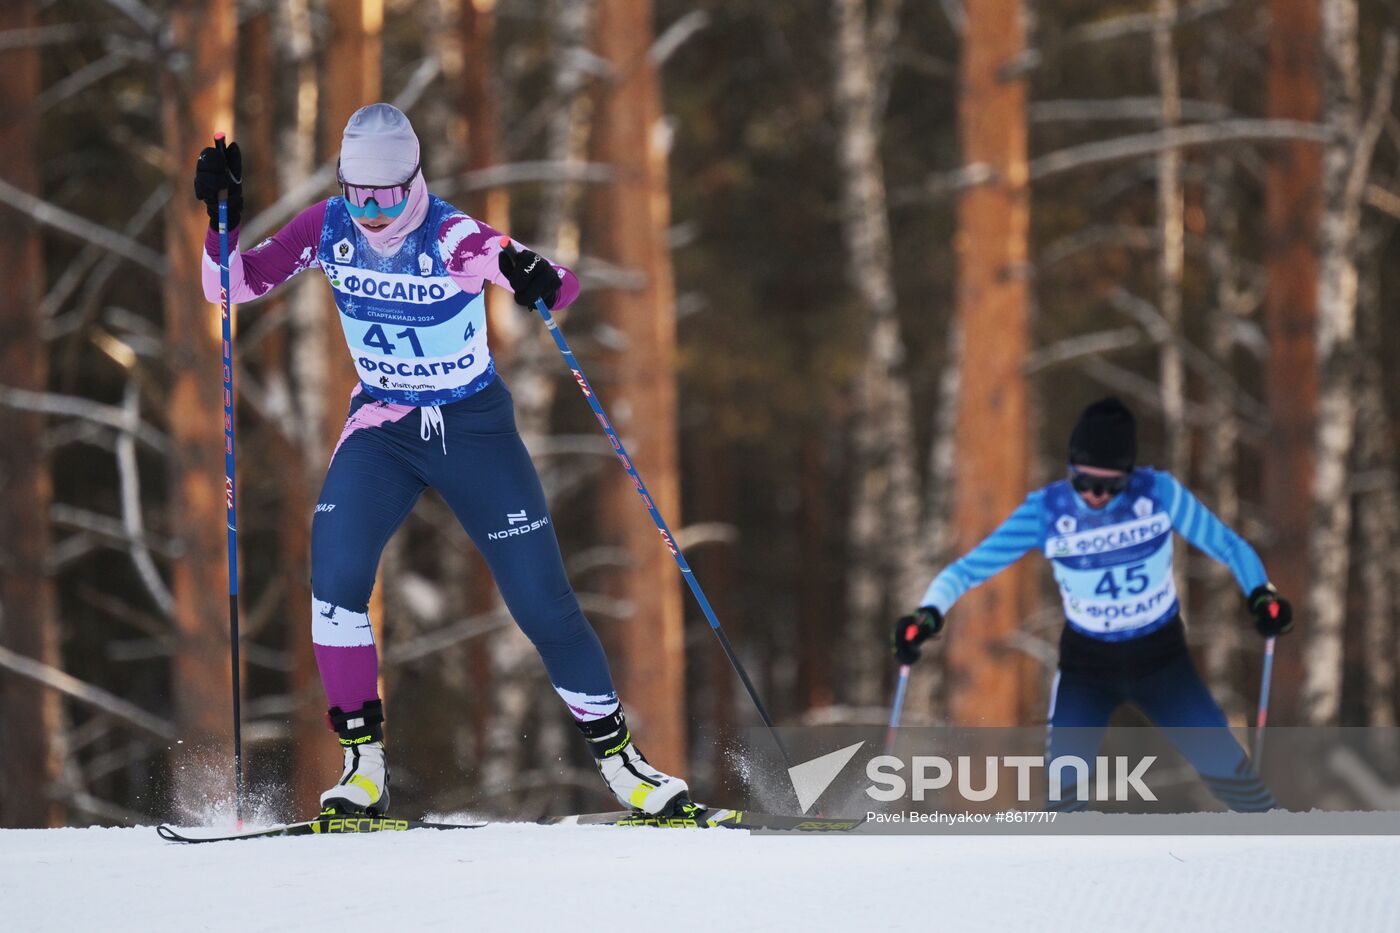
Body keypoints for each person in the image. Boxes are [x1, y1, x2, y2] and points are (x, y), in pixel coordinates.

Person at [194, 103, 689, 817]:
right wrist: (223, 223)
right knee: (333, 573)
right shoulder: (327, 227)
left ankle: (624, 764)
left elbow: (552, 281)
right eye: (356, 192)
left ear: (413, 182)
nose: (369, 211)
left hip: (472, 430)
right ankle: (363, 766)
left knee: (541, 600)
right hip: (384, 429)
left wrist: (529, 273)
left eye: (386, 195)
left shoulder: (448, 234)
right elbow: (228, 287)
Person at [893, 397, 1293, 812]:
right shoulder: (1047, 512)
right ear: (1071, 471)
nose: (1096, 496)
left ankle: (1282, 847)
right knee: (1064, 794)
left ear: (1129, 474)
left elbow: (1228, 545)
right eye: (1084, 483)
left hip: (1160, 658)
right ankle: (1065, 873)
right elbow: (966, 570)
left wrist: (1261, 593)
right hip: (1088, 666)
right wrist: (928, 614)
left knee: (1229, 772)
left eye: (1110, 486)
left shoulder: (1158, 495)